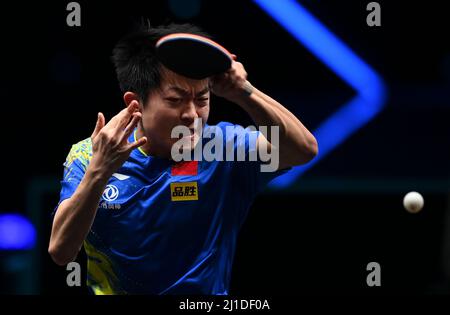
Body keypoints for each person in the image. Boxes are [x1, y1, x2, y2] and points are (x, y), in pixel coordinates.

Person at [48, 22, 318, 295]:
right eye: (176, 100)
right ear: (135, 103)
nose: (191, 114)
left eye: (202, 99)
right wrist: (100, 171)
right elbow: (61, 251)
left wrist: (244, 91)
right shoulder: (91, 153)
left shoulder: (222, 148)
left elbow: (303, 149)